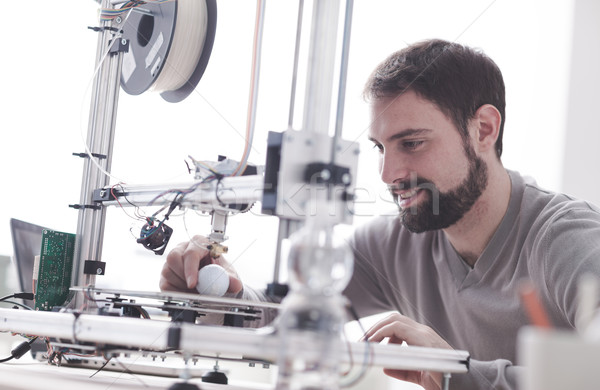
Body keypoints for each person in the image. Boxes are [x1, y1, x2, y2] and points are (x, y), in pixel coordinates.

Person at [160, 39, 600, 390]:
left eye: (412, 143)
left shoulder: (567, 241)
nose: (389, 174)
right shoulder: (394, 246)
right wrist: (219, 292)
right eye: (380, 148)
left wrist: (455, 372)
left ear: (483, 129)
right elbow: (284, 316)